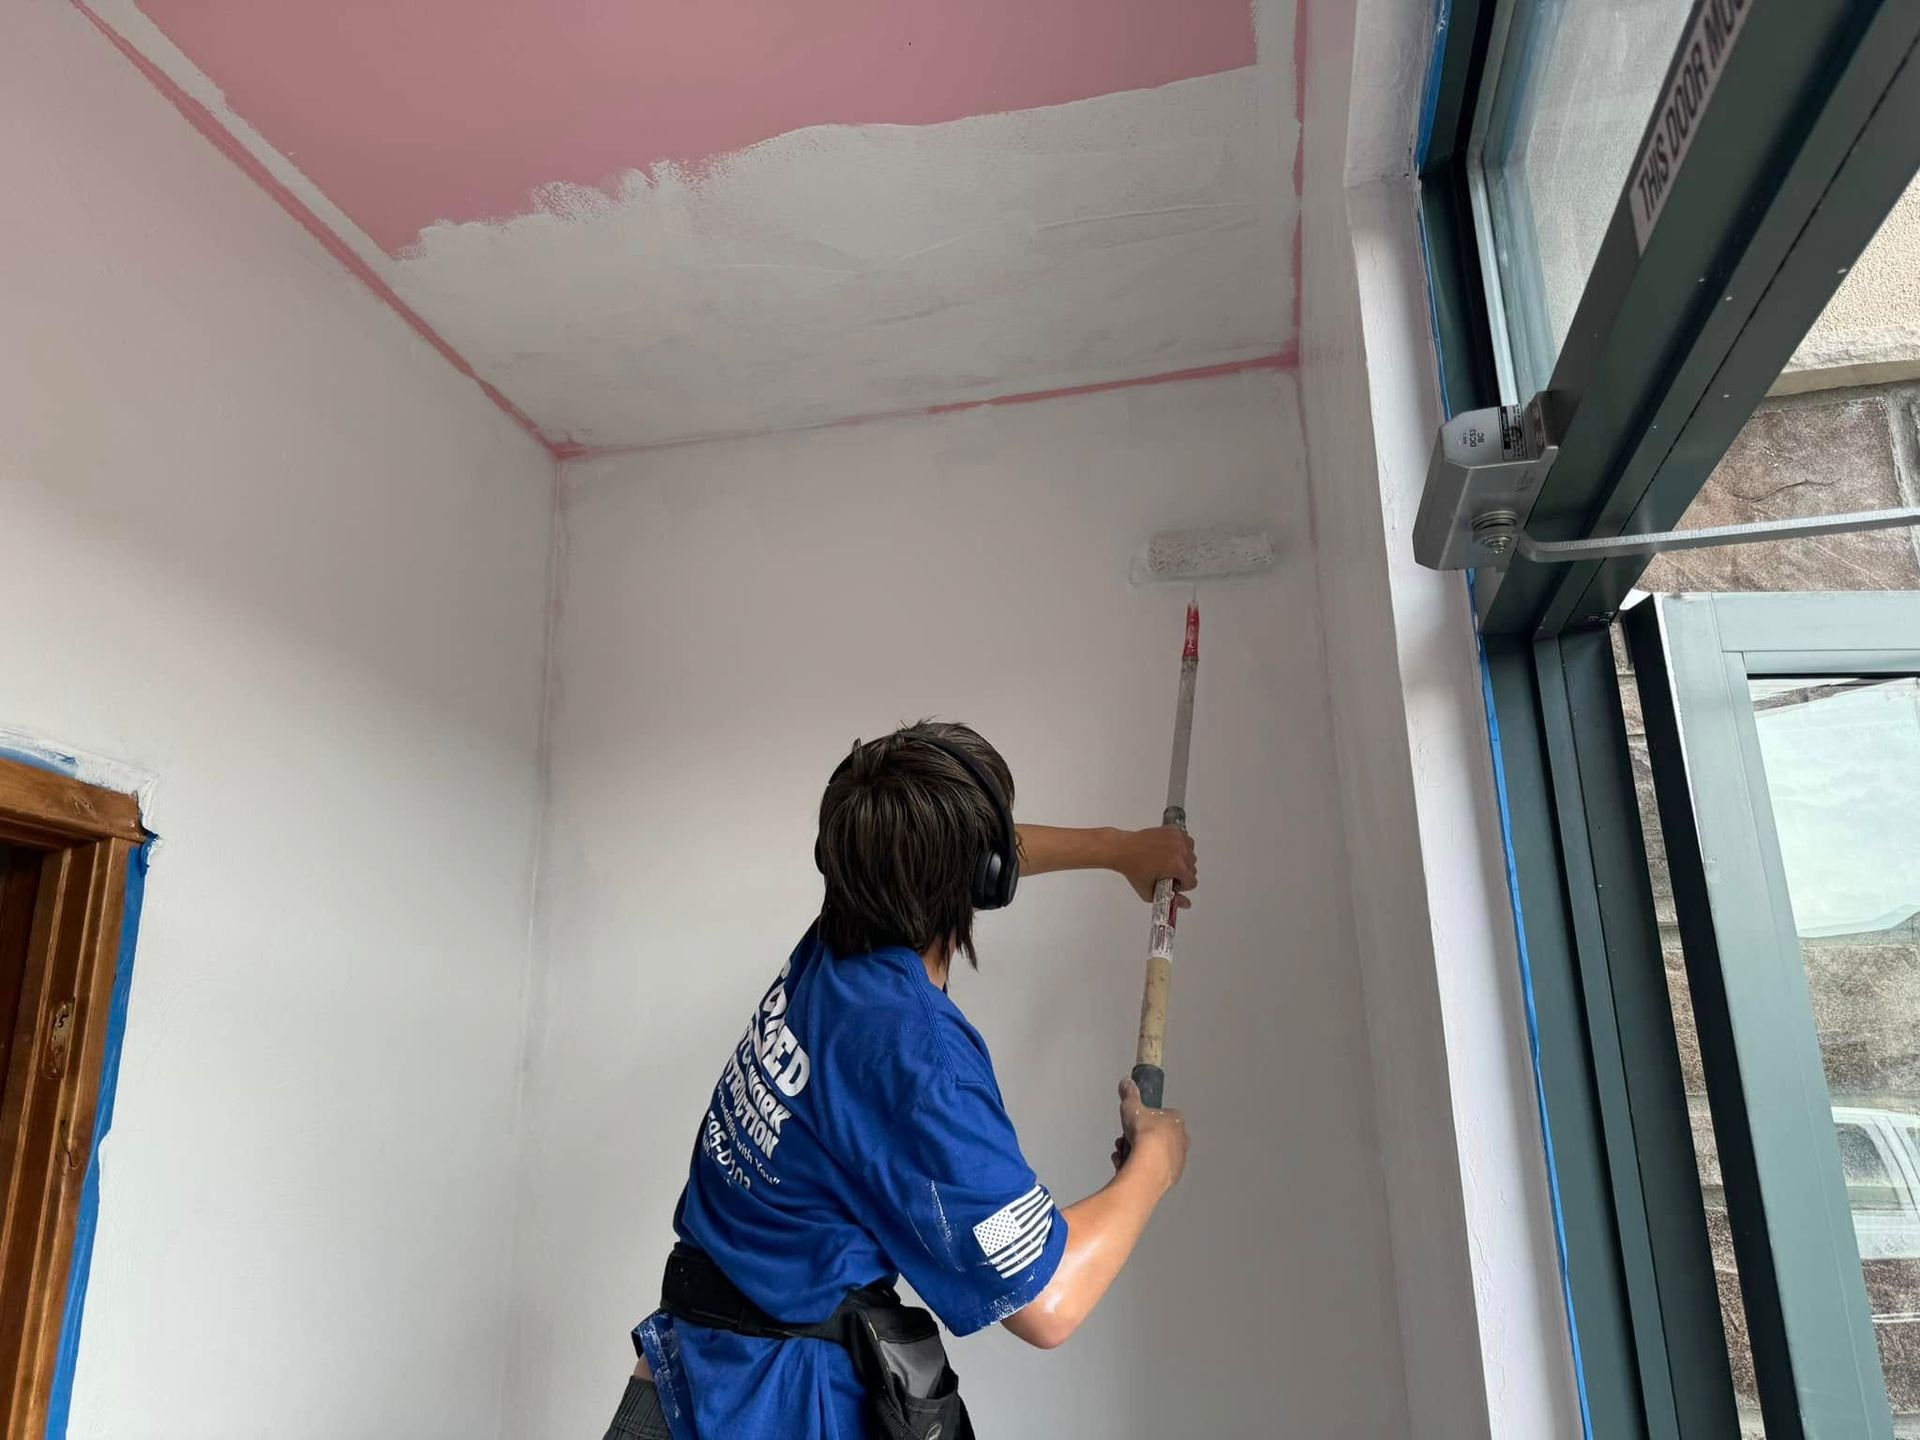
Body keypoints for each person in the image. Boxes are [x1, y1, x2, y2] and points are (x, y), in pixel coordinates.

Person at [603, 720, 1194, 1440]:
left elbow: (972, 848)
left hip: (679, 1375)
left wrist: (1121, 849)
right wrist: (1153, 1166)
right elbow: (1048, 1302)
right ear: (982, 879)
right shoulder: (916, 1059)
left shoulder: (840, 938)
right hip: (767, 1408)